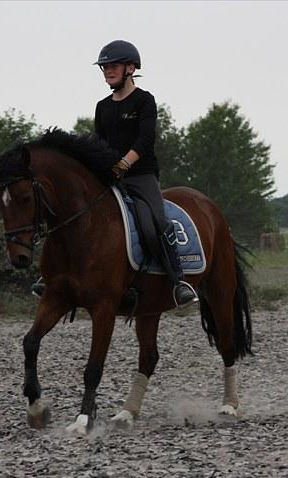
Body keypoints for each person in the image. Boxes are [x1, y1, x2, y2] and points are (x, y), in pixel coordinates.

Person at [94, 39, 198, 307]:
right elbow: (99, 143)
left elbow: (144, 140)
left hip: (141, 176)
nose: (107, 71)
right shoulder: (102, 107)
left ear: (131, 68)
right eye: (104, 67)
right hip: (110, 177)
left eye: (113, 66)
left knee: (155, 226)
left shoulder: (144, 101)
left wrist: (123, 164)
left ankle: (177, 281)